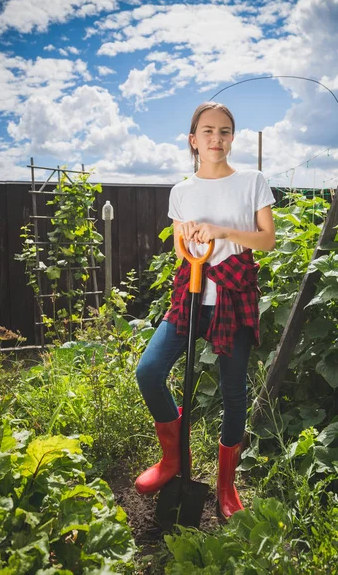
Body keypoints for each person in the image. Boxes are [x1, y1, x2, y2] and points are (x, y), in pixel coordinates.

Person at [135, 101, 276, 518]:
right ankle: (173, 459)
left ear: (233, 138)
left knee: (234, 393)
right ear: (193, 140)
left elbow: (266, 240)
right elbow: (185, 245)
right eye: (208, 132)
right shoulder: (181, 192)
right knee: (149, 371)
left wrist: (221, 230)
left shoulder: (252, 181)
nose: (217, 139)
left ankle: (226, 486)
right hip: (191, 292)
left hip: (234, 296)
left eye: (225, 132)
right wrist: (193, 236)